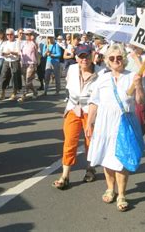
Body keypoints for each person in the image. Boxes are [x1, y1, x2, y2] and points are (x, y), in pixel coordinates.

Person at [85, 43, 145, 212]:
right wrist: (89, 122)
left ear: (123, 59)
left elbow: (140, 101)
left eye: (119, 57)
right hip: (104, 123)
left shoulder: (132, 76)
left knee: (121, 159)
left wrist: (139, 85)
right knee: (107, 158)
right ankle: (110, 188)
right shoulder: (102, 78)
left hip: (124, 123)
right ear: (107, 61)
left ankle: (122, 194)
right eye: (112, 58)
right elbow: (94, 102)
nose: (116, 60)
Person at [53, 45, 98, 189]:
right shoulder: (72, 69)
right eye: (80, 56)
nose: (84, 59)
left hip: (91, 110)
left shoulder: (102, 72)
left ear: (92, 55)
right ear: (76, 57)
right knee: (69, 141)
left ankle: (90, 168)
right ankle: (65, 175)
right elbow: (69, 87)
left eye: (86, 56)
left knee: (90, 141)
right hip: (73, 108)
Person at [0, 28, 22, 100]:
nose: (9, 36)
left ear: (13, 35)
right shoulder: (5, 43)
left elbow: (19, 53)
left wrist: (11, 52)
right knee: (4, 76)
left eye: (11, 34)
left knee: (15, 77)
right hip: (6, 61)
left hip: (14, 61)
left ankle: (14, 92)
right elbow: (0, 53)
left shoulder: (17, 42)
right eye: (7, 34)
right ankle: (3, 92)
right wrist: (4, 53)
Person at [18, 29, 38, 102]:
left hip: (31, 64)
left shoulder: (34, 43)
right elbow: (19, 51)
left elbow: (37, 54)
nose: (27, 36)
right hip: (24, 63)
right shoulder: (23, 43)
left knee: (28, 79)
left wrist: (36, 64)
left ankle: (23, 95)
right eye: (26, 34)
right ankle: (35, 91)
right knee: (27, 81)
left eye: (29, 34)